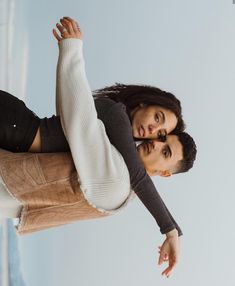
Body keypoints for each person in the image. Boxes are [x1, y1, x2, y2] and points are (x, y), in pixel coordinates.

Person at [0, 17, 197, 277]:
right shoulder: (116, 116)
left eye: (162, 138)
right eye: (157, 120)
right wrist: (170, 229)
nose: (153, 135)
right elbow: (136, 174)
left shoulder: (116, 155)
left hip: (14, 139)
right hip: (14, 127)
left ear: (165, 173)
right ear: (145, 104)